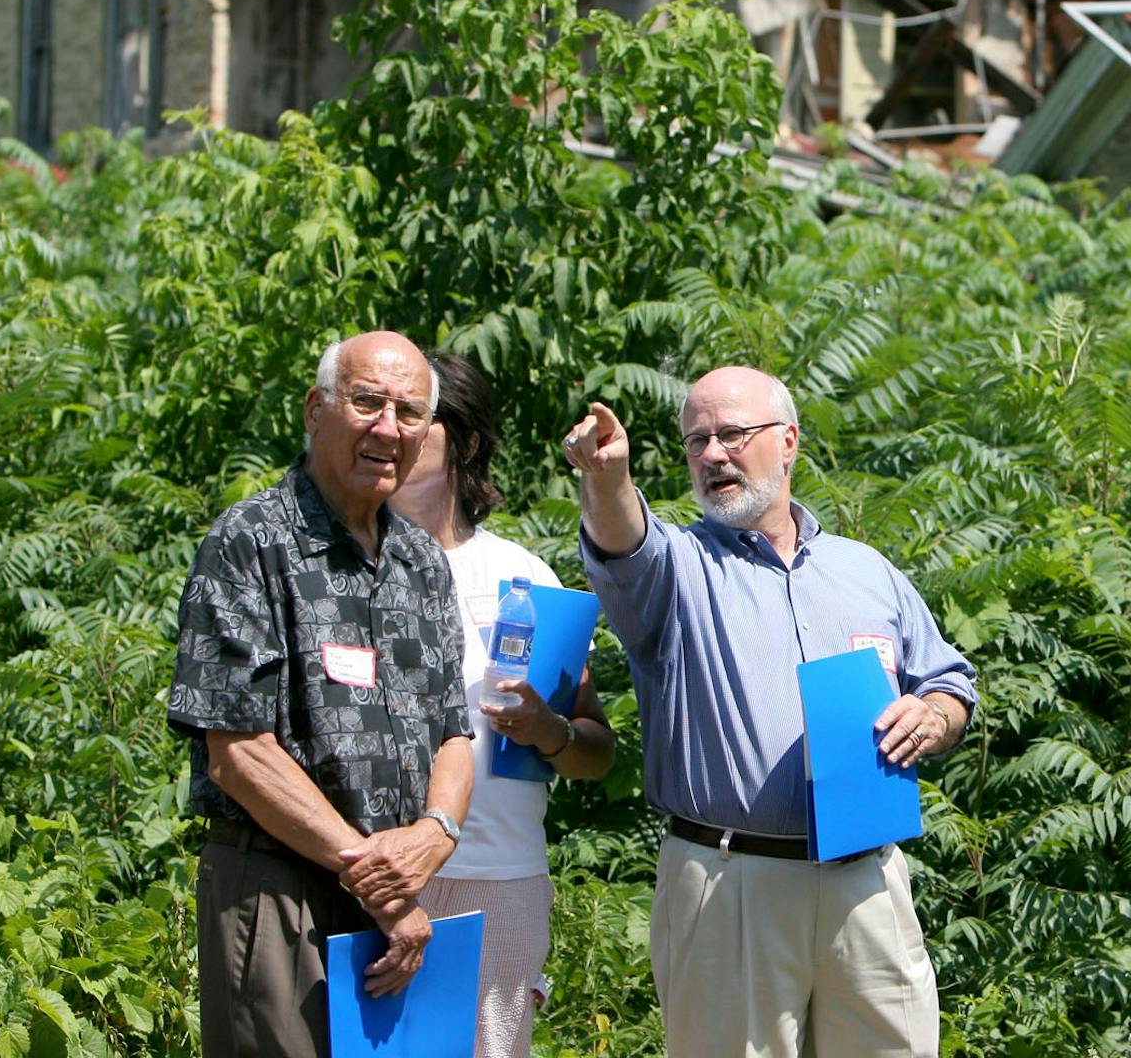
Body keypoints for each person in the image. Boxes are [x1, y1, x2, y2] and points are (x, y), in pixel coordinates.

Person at [561, 365, 977, 1057]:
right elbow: (621, 541)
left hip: (867, 880)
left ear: (788, 441)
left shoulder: (865, 569)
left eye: (732, 434)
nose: (713, 455)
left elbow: (950, 681)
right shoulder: (676, 568)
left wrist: (933, 716)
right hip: (730, 886)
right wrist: (606, 480)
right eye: (696, 441)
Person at [167, 331, 473, 1058]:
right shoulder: (250, 541)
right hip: (279, 889)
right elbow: (236, 752)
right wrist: (373, 875)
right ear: (316, 408)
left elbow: (455, 735)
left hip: (395, 897)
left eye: (409, 413)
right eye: (367, 403)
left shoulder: (421, 561)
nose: (387, 429)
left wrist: (435, 834)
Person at [390, 350, 615, 1058]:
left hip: (501, 875)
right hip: (378, 870)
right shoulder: (343, 565)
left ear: (467, 440)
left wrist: (547, 730)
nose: (391, 434)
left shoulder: (521, 575)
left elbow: (595, 752)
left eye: (415, 418)